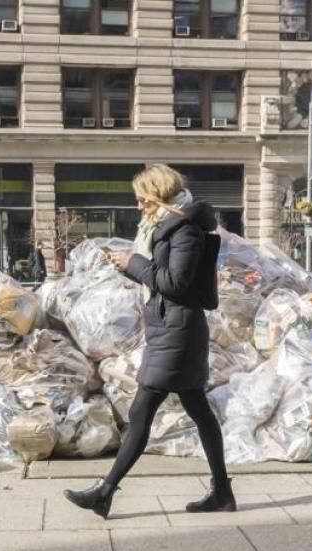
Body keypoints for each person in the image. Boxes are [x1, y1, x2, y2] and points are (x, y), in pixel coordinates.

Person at [63, 164, 232, 518]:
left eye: (142, 199)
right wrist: (129, 266)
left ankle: (105, 492)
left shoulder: (184, 230)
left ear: (158, 195)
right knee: (197, 408)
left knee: (143, 409)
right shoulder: (166, 227)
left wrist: (134, 263)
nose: (138, 206)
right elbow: (164, 279)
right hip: (169, 328)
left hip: (179, 331)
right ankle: (222, 492)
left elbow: (176, 283)